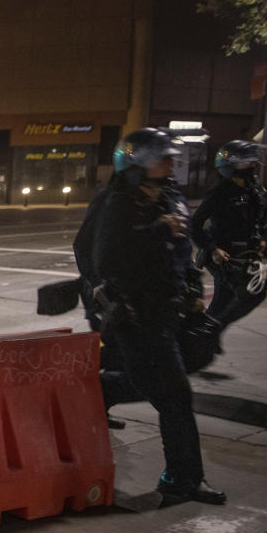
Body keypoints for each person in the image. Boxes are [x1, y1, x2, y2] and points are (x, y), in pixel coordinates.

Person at [94, 127, 225, 506]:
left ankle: (101, 389)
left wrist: (195, 291)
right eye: (162, 158)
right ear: (136, 162)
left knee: (158, 382)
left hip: (172, 311)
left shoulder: (171, 197)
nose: (171, 163)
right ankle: (182, 479)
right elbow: (107, 259)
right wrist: (154, 230)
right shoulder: (117, 204)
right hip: (138, 317)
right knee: (176, 397)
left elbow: (182, 251)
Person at [191, 140, 267, 331]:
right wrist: (213, 249)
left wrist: (264, 237)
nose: (253, 166)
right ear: (231, 166)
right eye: (247, 162)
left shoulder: (255, 189)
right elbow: (195, 226)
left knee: (246, 295)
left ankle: (208, 330)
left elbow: (266, 214)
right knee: (237, 294)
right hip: (224, 255)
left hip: (247, 253)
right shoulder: (220, 192)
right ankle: (207, 332)